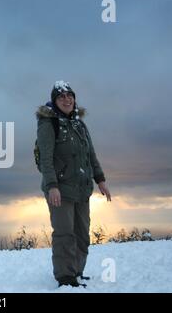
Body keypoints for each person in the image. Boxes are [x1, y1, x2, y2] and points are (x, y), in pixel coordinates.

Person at [36, 81, 111, 288]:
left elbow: (91, 155)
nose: (67, 99)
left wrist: (101, 179)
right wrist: (52, 185)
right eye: (61, 97)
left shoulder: (79, 125)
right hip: (59, 190)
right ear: (55, 101)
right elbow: (46, 158)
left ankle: (77, 271)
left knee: (81, 234)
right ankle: (65, 276)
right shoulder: (48, 124)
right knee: (64, 234)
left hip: (82, 189)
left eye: (70, 95)